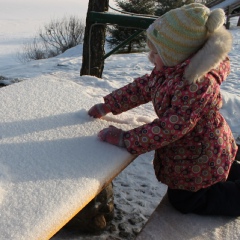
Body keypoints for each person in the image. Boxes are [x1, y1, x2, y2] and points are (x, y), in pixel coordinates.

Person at [88, 3, 240, 216]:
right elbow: (143, 87)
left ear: (178, 53)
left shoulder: (195, 85)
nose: (151, 57)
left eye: (156, 52)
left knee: (186, 199)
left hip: (199, 152)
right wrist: (109, 104)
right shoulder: (171, 70)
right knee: (221, 169)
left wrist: (126, 139)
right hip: (193, 151)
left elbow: (170, 127)